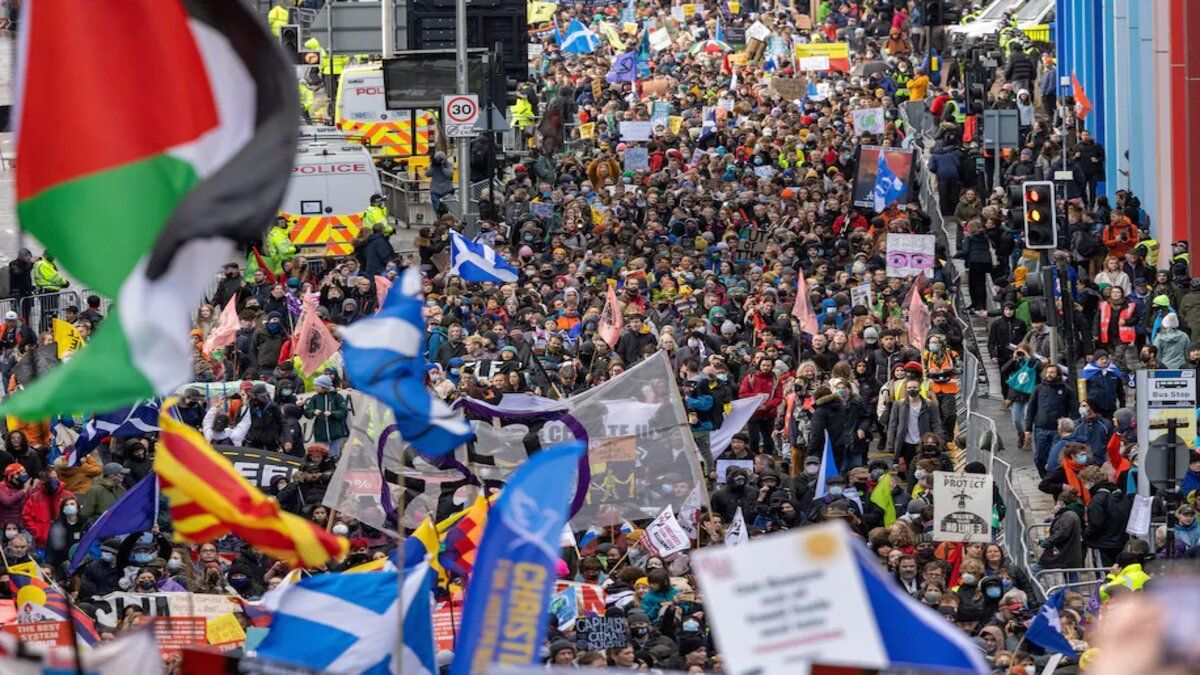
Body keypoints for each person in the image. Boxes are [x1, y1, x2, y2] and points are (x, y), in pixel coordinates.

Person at [1026, 364, 1078, 477]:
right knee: (1040, 458)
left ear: (1058, 374)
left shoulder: (1067, 390)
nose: (1049, 374)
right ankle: (1044, 477)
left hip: (1058, 431)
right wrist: (1028, 429)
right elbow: (1031, 409)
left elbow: (1074, 410)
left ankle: (1052, 479)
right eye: (1048, 372)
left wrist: (1071, 428)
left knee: (1054, 458)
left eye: (1052, 372)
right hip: (1041, 430)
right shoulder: (1039, 388)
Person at [304, 375, 349, 457]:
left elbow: (343, 412)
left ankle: (334, 468)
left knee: (335, 457)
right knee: (321, 458)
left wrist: (332, 413)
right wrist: (313, 412)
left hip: (336, 435)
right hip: (320, 435)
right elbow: (307, 412)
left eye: (317, 385)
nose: (315, 387)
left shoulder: (337, 397)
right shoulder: (315, 398)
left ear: (324, 386)